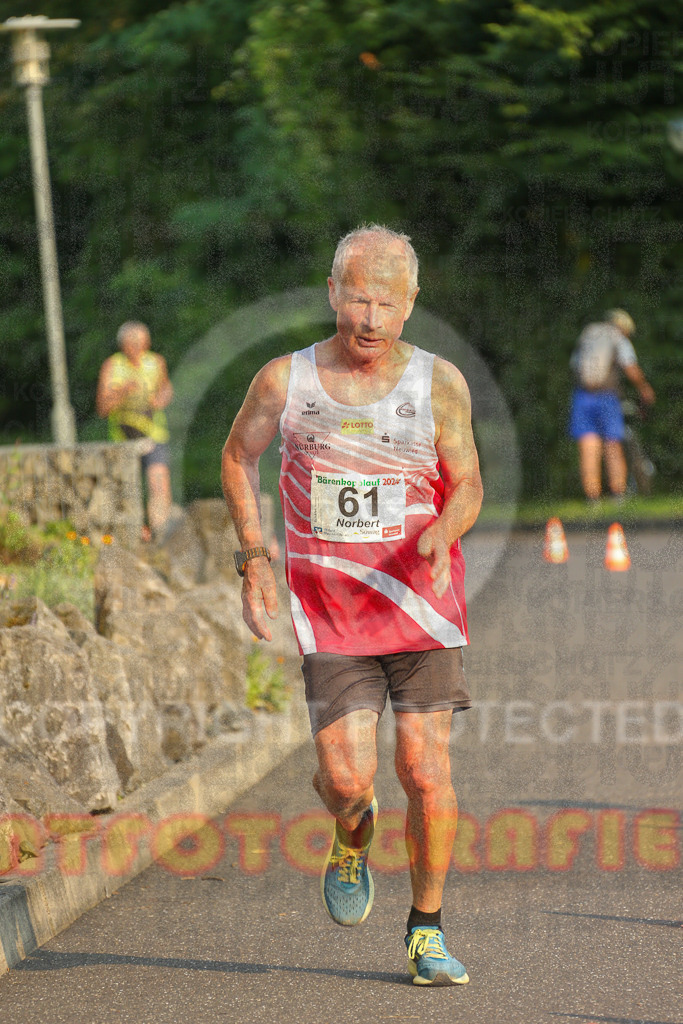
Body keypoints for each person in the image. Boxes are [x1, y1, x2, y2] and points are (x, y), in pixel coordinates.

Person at [221, 225, 482, 986]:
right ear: (332, 291)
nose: (369, 318)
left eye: (386, 302)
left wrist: (446, 527)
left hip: (422, 608)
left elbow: (465, 480)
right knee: (346, 782)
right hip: (332, 614)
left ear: (409, 306)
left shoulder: (438, 383)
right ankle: (349, 834)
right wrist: (253, 557)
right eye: (357, 297)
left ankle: (426, 933)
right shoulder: (284, 382)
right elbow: (238, 456)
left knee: (425, 770)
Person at [96, 321, 174, 541]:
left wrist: (162, 398)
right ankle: (136, 533)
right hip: (123, 438)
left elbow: (166, 388)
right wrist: (122, 391)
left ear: (147, 342)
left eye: (140, 342)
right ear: (122, 345)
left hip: (154, 434)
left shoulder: (156, 362)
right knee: (127, 489)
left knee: (158, 482)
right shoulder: (112, 366)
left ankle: (160, 534)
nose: (136, 347)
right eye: (131, 343)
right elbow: (102, 408)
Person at [569, 309, 655, 502]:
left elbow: (574, 365)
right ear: (624, 327)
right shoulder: (618, 338)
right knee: (612, 444)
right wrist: (644, 388)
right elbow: (630, 366)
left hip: (583, 396)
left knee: (588, 445)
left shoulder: (589, 334)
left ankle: (592, 497)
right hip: (607, 396)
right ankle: (618, 493)